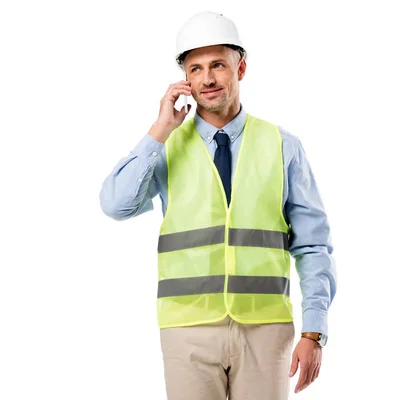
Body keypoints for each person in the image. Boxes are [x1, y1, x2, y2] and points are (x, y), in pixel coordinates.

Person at [99, 11, 337, 400]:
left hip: (266, 331)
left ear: (240, 68)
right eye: (195, 69)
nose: (207, 78)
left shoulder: (282, 146)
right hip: (187, 330)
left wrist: (314, 330)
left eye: (218, 65)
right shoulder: (165, 147)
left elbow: (312, 245)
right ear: (185, 80)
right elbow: (114, 204)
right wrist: (160, 130)